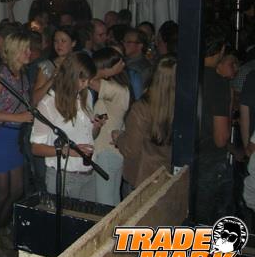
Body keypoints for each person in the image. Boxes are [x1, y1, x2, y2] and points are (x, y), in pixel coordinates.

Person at [0, 30, 33, 247]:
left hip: (14, 139)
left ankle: (0, 229)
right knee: (1, 193)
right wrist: (18, 117)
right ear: (14, 51)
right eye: (25, 49)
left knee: (17, 190)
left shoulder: (23, 75)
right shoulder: (0, 76)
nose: (29, 52)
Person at [31, 52, 104, 202]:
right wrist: (68, 150)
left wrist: (96, 128)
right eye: (82, 80)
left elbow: (89, 136)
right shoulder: (49, 103)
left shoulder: (86, 97)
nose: (86, 85)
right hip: (64, 176)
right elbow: (36, 148)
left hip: (89, 173)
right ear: (70, 76)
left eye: (88, 81)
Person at [194, 27, 243, 225]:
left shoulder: (188, 72)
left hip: (187, 156)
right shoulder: (217, 82)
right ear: (221, 50)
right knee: (215, 223)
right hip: (210, 162)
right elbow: (221, 138)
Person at [114, 56, 177, 195]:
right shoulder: (183, 107)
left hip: (142, 178)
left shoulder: (142, 108)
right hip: (168, 175)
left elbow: (131, 149)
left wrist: (118, 138)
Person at [90, 47, 131, 206]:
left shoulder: (116, 89)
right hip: (112, 151)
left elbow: (89, 81)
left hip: (106, 152)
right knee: (113, 201)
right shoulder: (120, 88)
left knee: (104, 203)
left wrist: (106, 70)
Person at [32, 26, 78, 105]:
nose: (59, 45)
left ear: (73, 43)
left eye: (63, 41)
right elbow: (34, 99)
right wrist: (52, 80)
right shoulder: (46, 66)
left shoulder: (79, 64)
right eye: (56, 41)